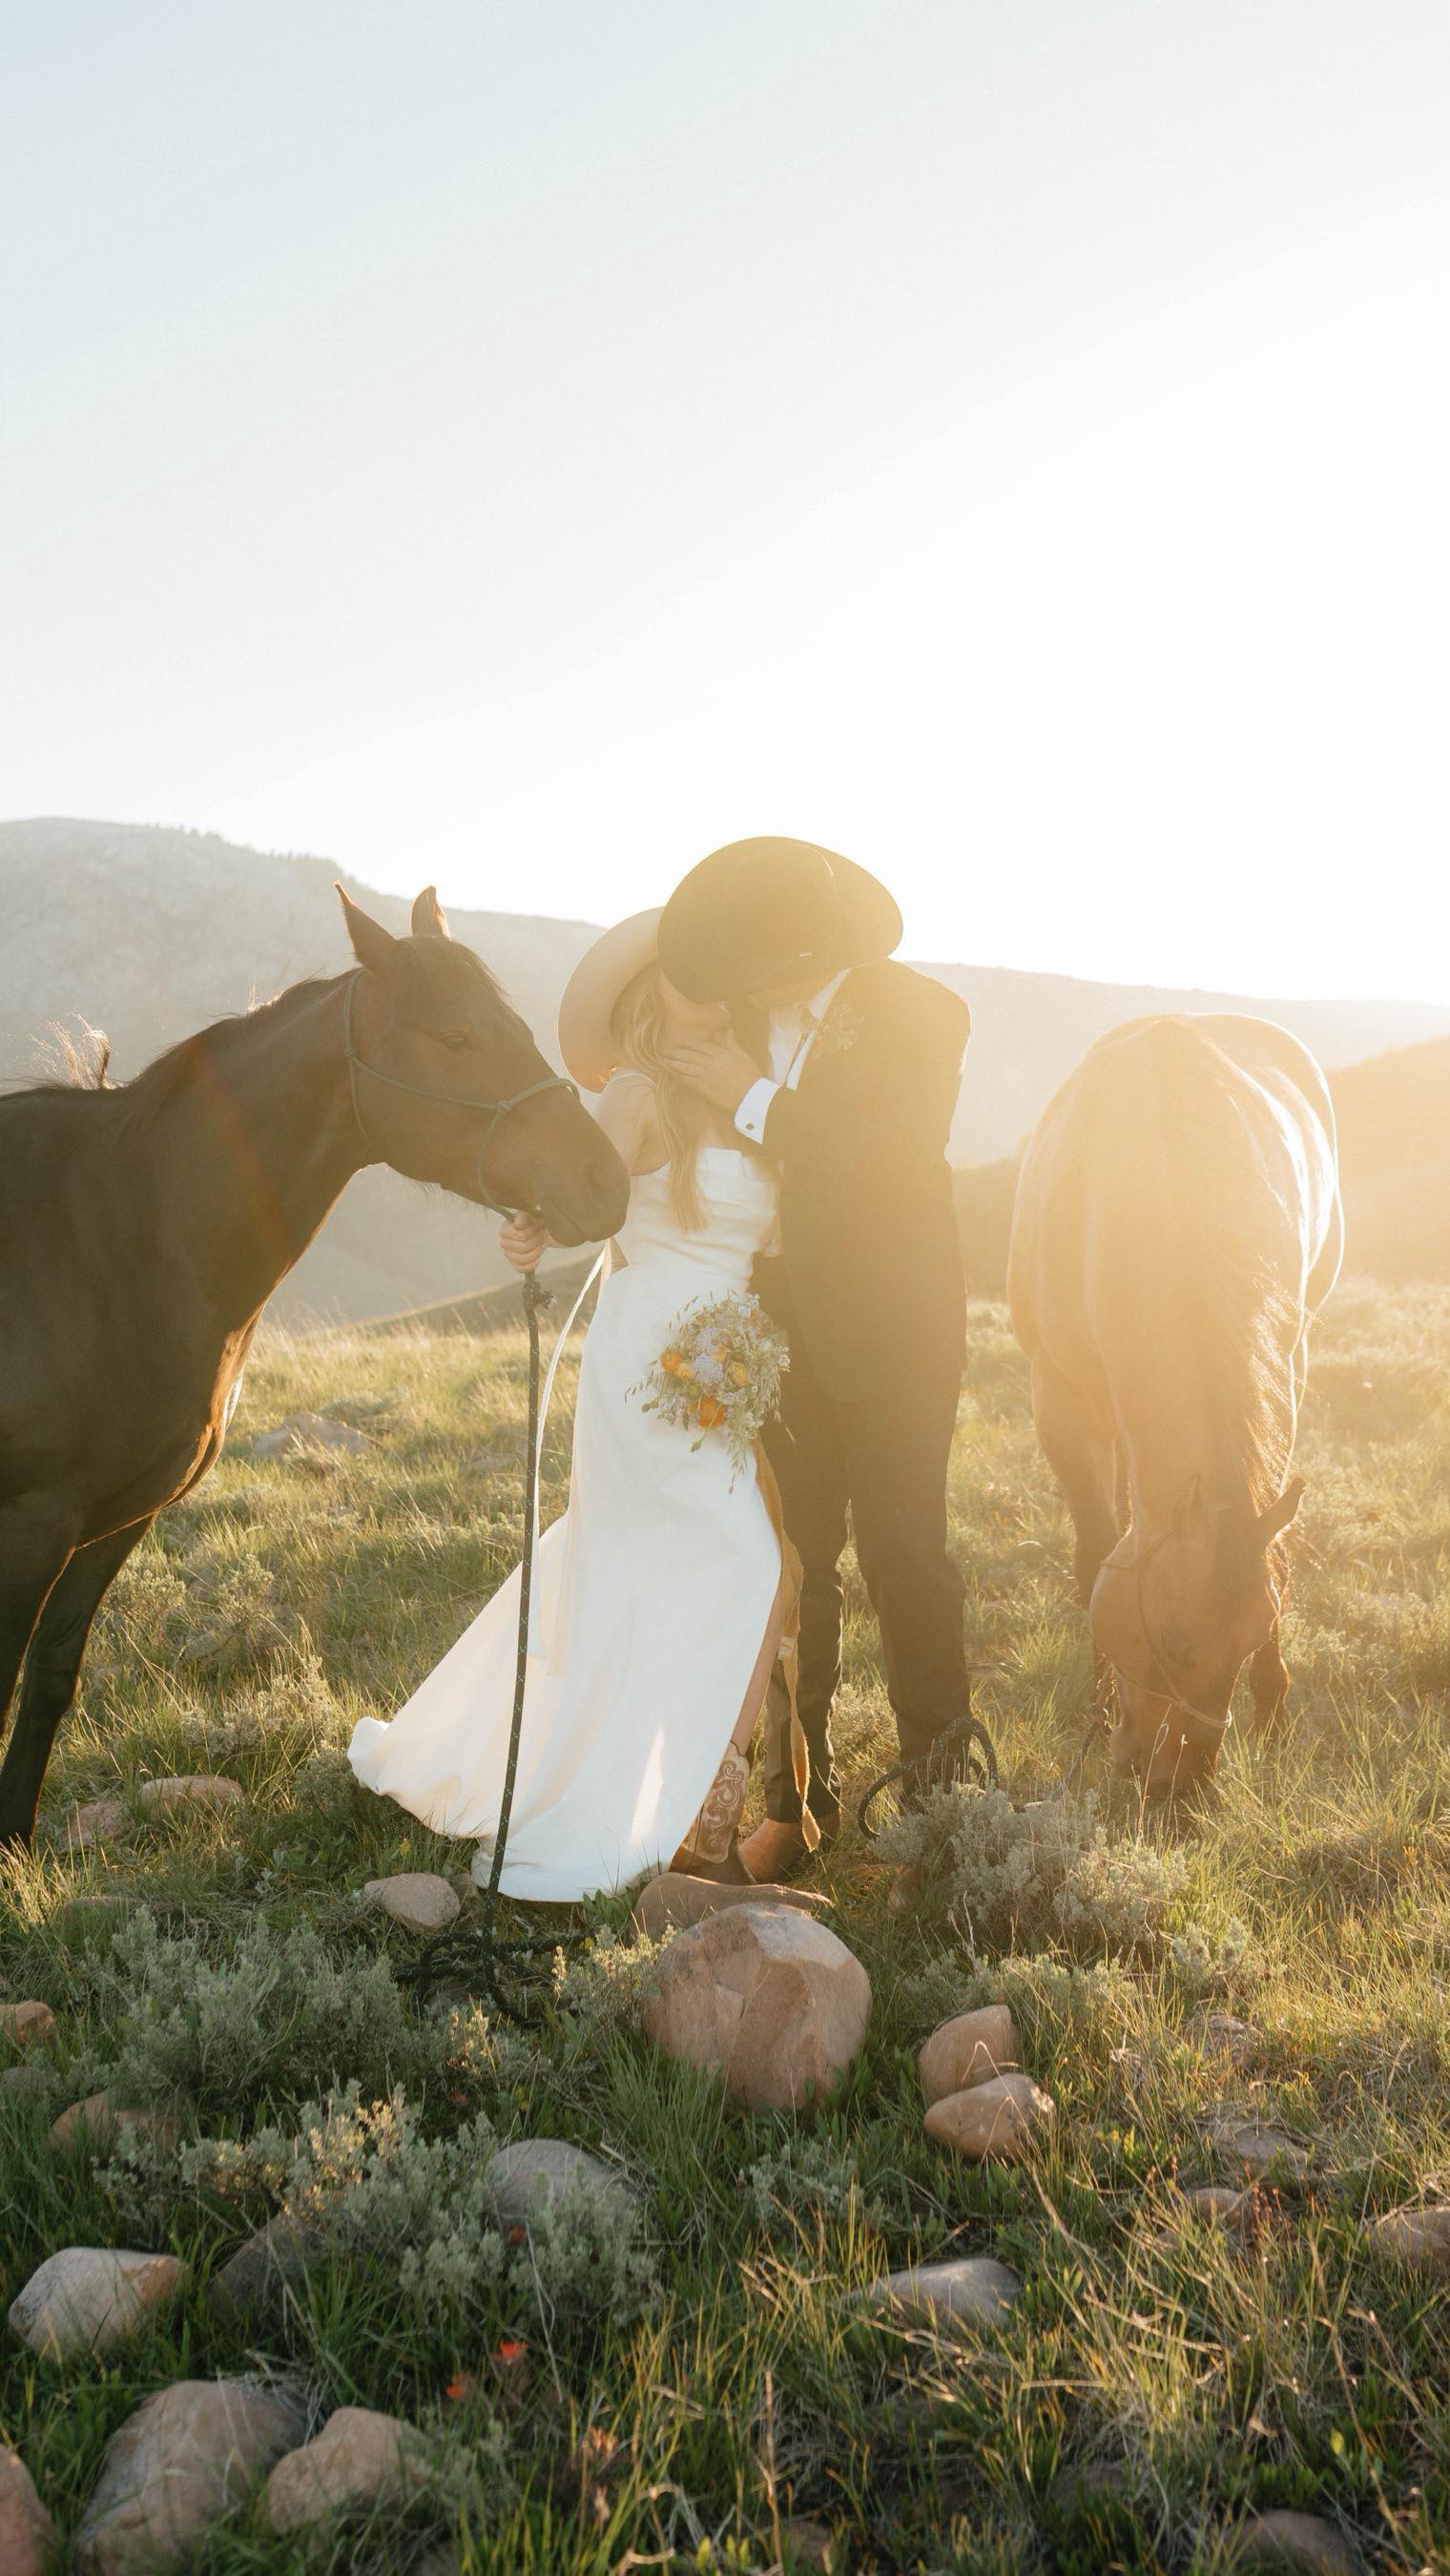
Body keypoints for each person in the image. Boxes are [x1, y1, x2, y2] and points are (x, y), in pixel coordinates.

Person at [347, 910, 797, 1899]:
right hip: (649, 1365)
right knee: (744, 1563)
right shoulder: (637, 1099)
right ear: (651, 1000)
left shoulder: (762, 1097)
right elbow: (570, 1192)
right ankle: (698, 1831)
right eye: (689, 980)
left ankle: (685, 1814)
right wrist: (528, 1234)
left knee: (678, 1570)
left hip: (729, 1363)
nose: (712, 994)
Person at [655, 835, 972, 1878]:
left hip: (893, 1331)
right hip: (777, 1330)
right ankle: (799, 1806)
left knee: (903, 1554)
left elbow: (888, 1156)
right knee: (797, 1569)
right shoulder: (743, 1019)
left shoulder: (923, 1015)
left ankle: (938, 1792)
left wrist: (752, 1092)